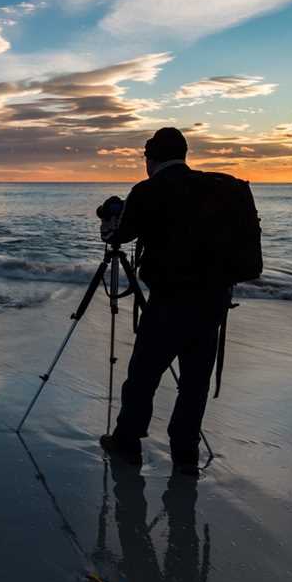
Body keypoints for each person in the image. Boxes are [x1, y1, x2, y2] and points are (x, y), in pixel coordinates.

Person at [98, 127, 232, 475]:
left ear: (151, 158)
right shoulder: (216, 189)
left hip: (170, 302)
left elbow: (118, 236)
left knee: (143, 375)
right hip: (213, 302)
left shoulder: (148, 191)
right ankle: (185, 454)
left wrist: (112, 215)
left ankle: (127, 443)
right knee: (194, 381)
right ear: (184, 155)